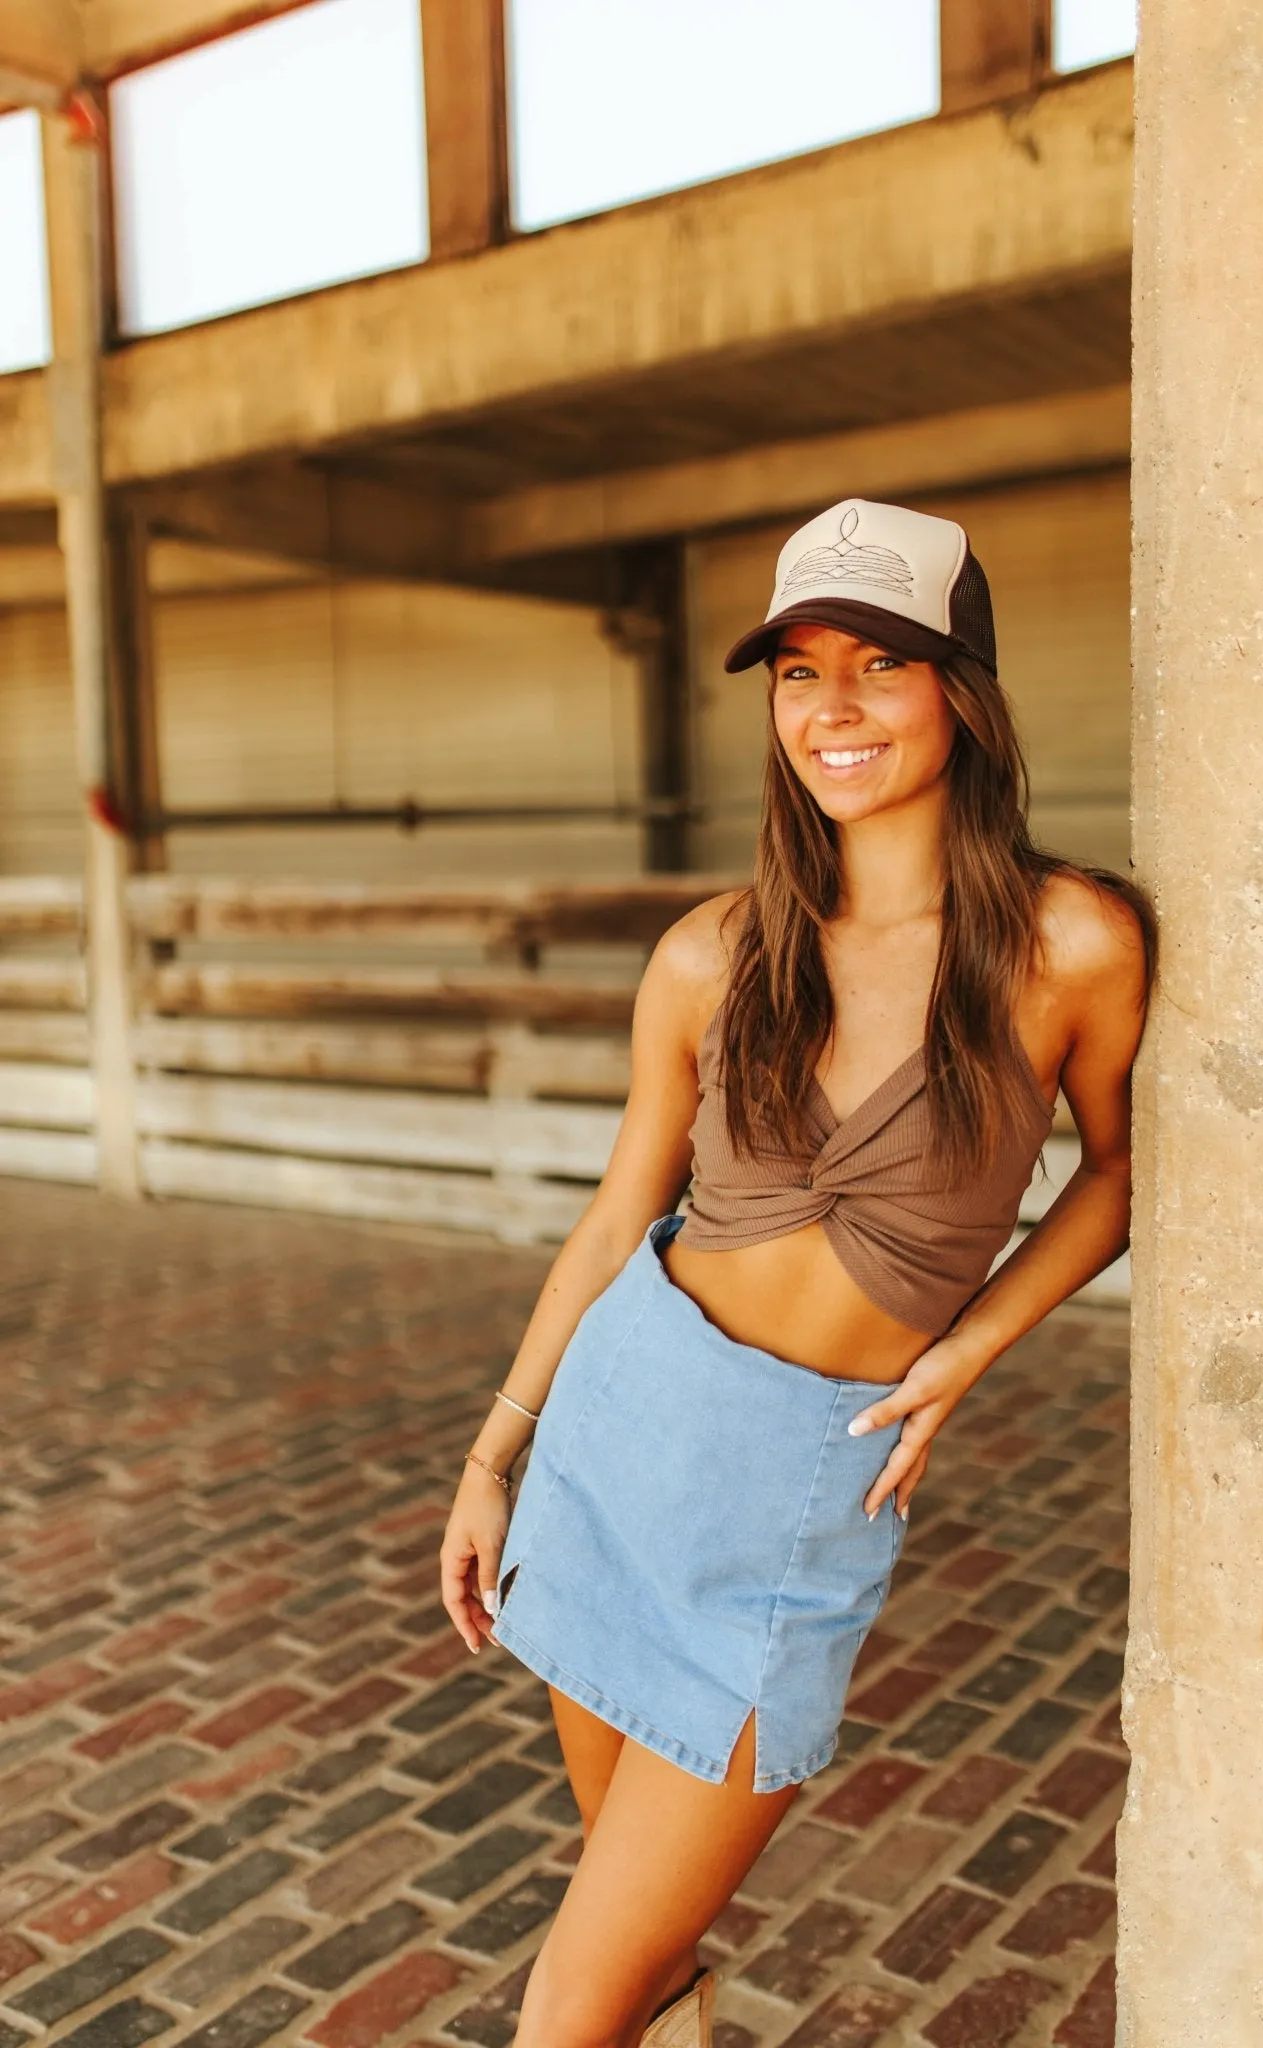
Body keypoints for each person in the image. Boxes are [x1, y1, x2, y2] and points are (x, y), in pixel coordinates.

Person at [440, 499, 1154, 2048]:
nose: (833, 711)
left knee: (564, 2007)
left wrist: (971, 1348)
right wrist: (499, 1448)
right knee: (627, 1963)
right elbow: (618, 1216)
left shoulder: (1069, 942)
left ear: (961, 687)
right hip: (619, 1444)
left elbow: (1117, 1176)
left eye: (880, 665)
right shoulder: (713, 954)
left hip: (796, 1497)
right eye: (796, 674)